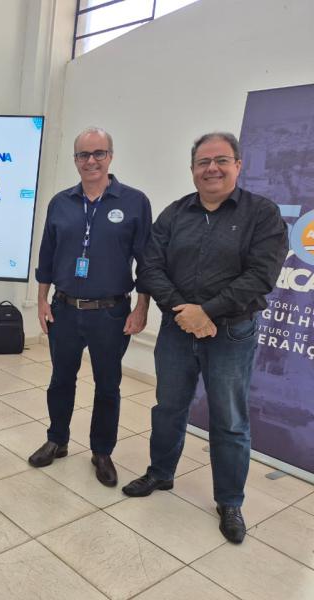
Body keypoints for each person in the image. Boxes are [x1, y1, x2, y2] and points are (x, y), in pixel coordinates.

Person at [123, 132, 288, 544]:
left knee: (229, 420)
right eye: (203, 162)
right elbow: (150, 267)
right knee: (168, 408)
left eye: (221, 160)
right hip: (177, 330)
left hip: (231, 333)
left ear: (238, 165)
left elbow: (261, 276)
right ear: (193, 168)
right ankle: (160, 473)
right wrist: (184, 311)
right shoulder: (175, 213)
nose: (212, 168)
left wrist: (207, 312)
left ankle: (229, 501)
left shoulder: (262, 214)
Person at [28, 127, 152, 487]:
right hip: (64, 309)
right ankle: (57, 440)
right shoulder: (61, 202)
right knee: (60, 380)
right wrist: (41, 300)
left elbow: (147, 261)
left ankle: (102, 451)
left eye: (98, 153)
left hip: (111, 313)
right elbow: (47, 256)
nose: (91, 161)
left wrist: (142, 307)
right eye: (83, 155)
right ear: (75, 160)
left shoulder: (134, 202)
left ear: (110, 156)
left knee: (108, 385)